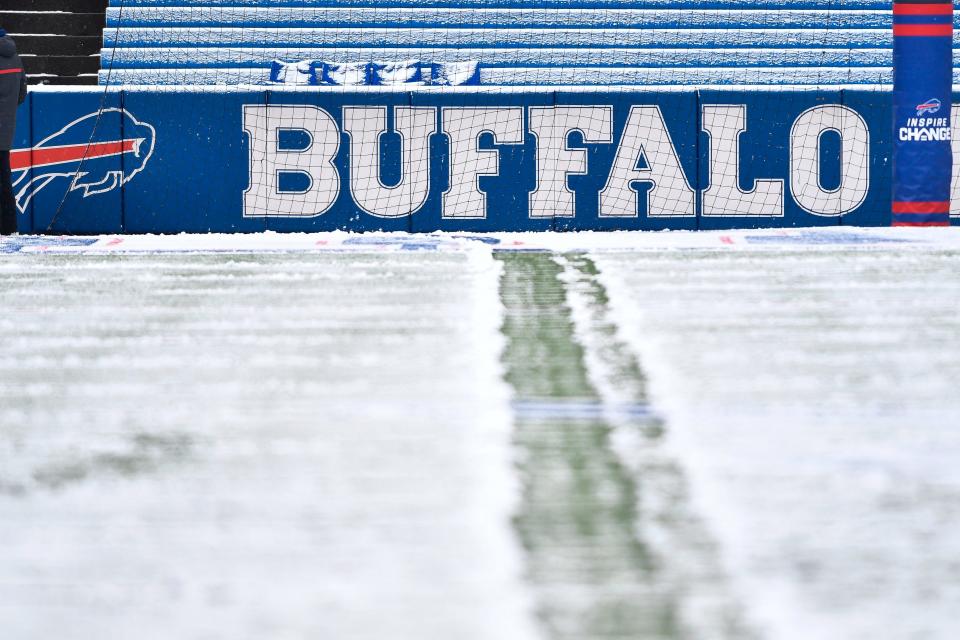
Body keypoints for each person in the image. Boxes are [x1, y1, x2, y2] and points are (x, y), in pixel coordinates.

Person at [0, 28, 26, 235]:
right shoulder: (15, 57)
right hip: (5, 129)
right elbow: (21, 94)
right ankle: (9, 228)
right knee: (4, 182)